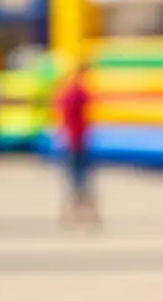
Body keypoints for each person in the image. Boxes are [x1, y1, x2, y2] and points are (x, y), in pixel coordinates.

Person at [57, 63, 98, 227]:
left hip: (73, 138)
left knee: (74, 177)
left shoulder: (68, 92)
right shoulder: (78, 92)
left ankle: (74, 211)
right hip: (77, 139)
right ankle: (81, 211)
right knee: (80, 178)